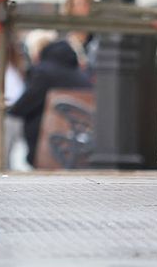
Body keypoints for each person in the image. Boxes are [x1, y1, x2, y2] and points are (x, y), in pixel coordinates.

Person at [7, 33, 93, 168]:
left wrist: (11, 111)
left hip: (46, 137)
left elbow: (28, 101)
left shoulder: (44, 71)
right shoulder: (79, 72)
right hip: (77, 136)